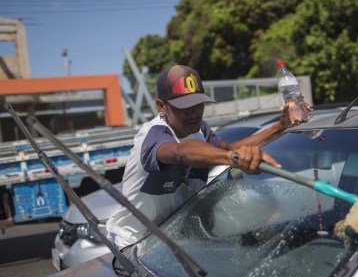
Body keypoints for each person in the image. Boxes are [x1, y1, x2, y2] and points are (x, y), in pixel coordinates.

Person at [106, 64, 307, 249]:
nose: (194, 112)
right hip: (134, 242)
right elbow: (181, 152)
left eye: (198, 103)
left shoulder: (200, 129)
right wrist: (234, 158)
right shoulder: (153, 135)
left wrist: (281, 127)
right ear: (162, 106)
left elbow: (229, 147)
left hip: (171, 238)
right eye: (184, 106)